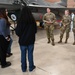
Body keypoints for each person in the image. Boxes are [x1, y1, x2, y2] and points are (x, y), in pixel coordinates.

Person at [15, 6, 37, 72]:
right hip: (31, 41)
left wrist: (21, 35)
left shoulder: (20, 21)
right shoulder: (32, 21)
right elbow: (35, 30)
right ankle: (31, 67)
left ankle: (24, 68)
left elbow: (17, 32)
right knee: (30, 54)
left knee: (23, 54)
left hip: (22, 41)